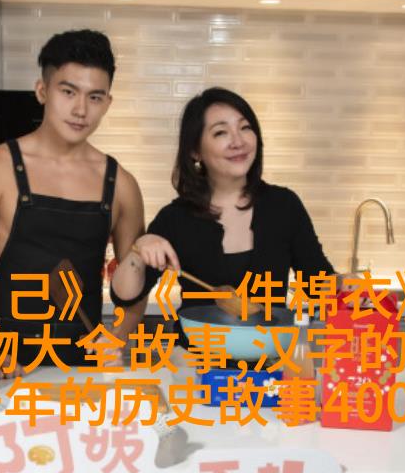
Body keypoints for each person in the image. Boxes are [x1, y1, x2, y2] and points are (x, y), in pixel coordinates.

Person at [0, 29, 146, 369]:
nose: (80, 109)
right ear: (42, 91)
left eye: (95, 97)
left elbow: (136, 284)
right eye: (68, 92)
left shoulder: (121, 185)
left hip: (83, 369)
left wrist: (118, 336)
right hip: (6, 368)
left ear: (107, 103)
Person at [110, 87, 334, 316]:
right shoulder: (175, 218)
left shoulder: (284, 206)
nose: (238, 141)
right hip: (196, 341)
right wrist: (140, 248)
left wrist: (344, 284)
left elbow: (319, 285)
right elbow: (124, 295)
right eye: (220, 133)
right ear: (195, 151)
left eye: (245, 128)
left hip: (270, 339)